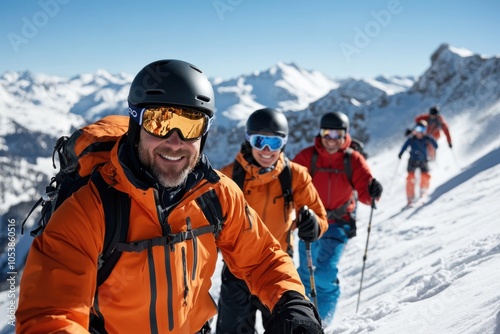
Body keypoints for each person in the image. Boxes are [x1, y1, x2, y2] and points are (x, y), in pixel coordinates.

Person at [16, 60, 324, 334]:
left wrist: (292, 301)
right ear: (136, 125)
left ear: (204, 134)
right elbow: (52, 314)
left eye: (191, 124)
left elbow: (262, 257)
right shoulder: (91, 208)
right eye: (159, 121)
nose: (175, 142)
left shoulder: (217, 195)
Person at [216, 108, 329, 333]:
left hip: (277, 268)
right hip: (236, 270)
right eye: (260, 141)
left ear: (284, 144)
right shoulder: (227, 178)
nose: (267, 150)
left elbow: (320, 216)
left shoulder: (294, 175)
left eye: (274, 143)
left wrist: (313, 225)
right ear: (249, 141)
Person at [293, 111, 383, 323]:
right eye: (327, 133)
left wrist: (373, 192)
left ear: (345, 135)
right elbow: (291, 185)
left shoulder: (353, 160)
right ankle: (303, 321)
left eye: (337, 134)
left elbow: (365, 193)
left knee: (324, 272)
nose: (331, 139)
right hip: (311, 223)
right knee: (305, 273)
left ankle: (322, 320)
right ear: (320, 133)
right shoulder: (308, 157)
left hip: (338, 224)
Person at [398, 120, 438, 205]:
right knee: (410, 178)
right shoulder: (412, 139)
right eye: (418, 129)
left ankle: (423, 190)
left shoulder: (426, 138)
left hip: (423, 160)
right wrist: (401, 153)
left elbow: (435, 145)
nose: (420, 132)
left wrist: (430, 139)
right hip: (412, 160)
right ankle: (410, 197)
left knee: (425, 176)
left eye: (422, 129)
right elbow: (405, 146)